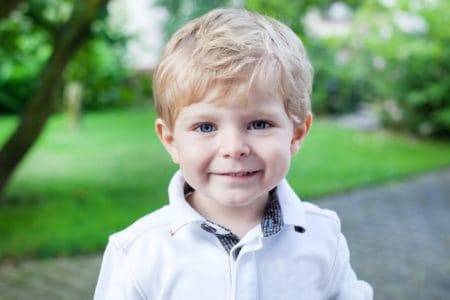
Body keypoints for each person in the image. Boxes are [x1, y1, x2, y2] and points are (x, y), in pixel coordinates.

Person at [94, 8, 373, 300]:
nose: (234, 147)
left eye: (259, 124)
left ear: (297, 134)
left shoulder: (323, 238)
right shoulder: (138, 253)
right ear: (171, 140)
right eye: (205, 127)